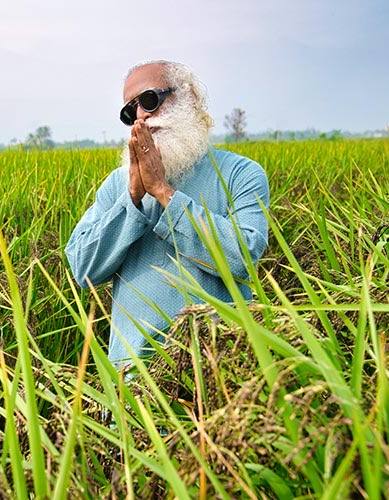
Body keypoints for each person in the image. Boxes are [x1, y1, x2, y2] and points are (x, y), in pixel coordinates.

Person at [65, 60, 270, 368]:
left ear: (190, 98)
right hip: (134, 379)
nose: (141, 116)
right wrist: (133, 197)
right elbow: (83, 269)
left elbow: (242, 258)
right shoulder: (117, 186)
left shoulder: (240, 174)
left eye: (150, 100)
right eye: (129, 111)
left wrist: (163, 191)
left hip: (221, 370)